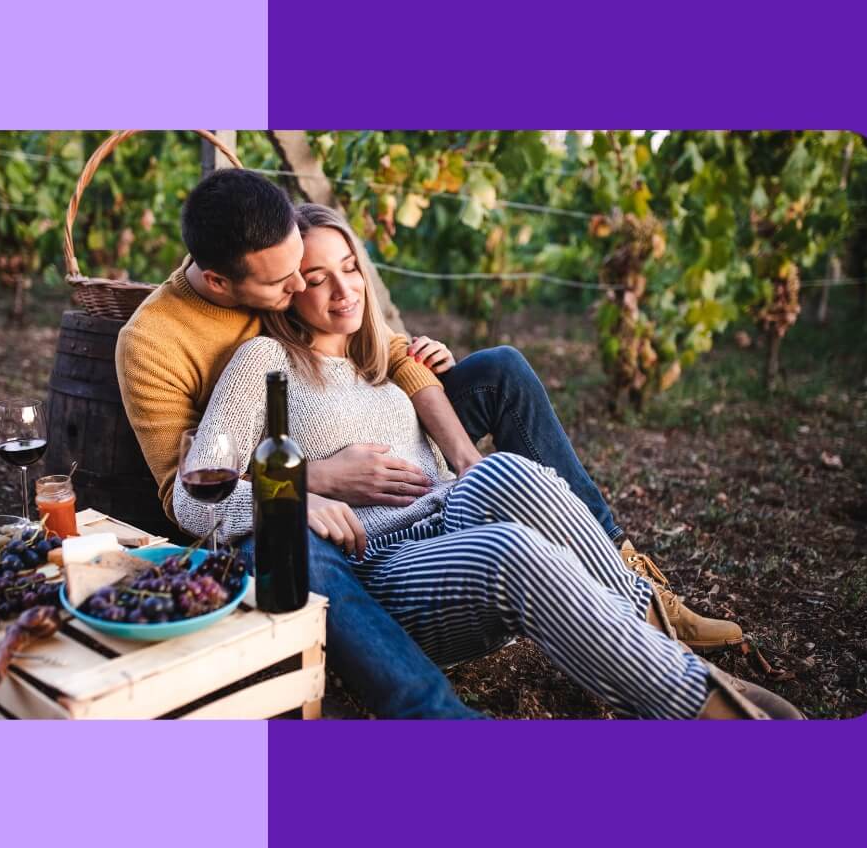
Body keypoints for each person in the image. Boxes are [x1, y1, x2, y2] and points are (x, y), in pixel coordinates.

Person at [117, 171, 744, 719]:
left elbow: (380, 346)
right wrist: (302, 488)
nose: (333, 289)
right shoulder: (190, 346)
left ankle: (646, 613)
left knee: (507, 467)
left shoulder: (306, 287)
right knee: (507, 547)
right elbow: (196, 492)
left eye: (347, 268)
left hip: (433, 516)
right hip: (350, 545)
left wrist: (448, 426)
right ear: (226, 286)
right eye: (297, 281)